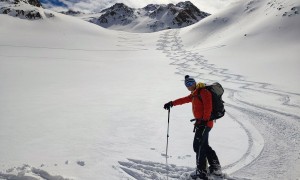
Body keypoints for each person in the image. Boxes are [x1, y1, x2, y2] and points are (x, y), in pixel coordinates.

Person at [163, 75, 222, 180]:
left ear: (195, 83)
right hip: (201, 124)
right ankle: (215, 169)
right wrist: (172, 103)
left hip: (205, 124)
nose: (189, 86)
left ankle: (202, 172)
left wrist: (204, 121)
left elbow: (208, 107)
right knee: (203, 146)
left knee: (198, 146)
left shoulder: (203, 92)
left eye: (191, 83)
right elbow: (184, 100)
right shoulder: (195, 94)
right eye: (187, 84)